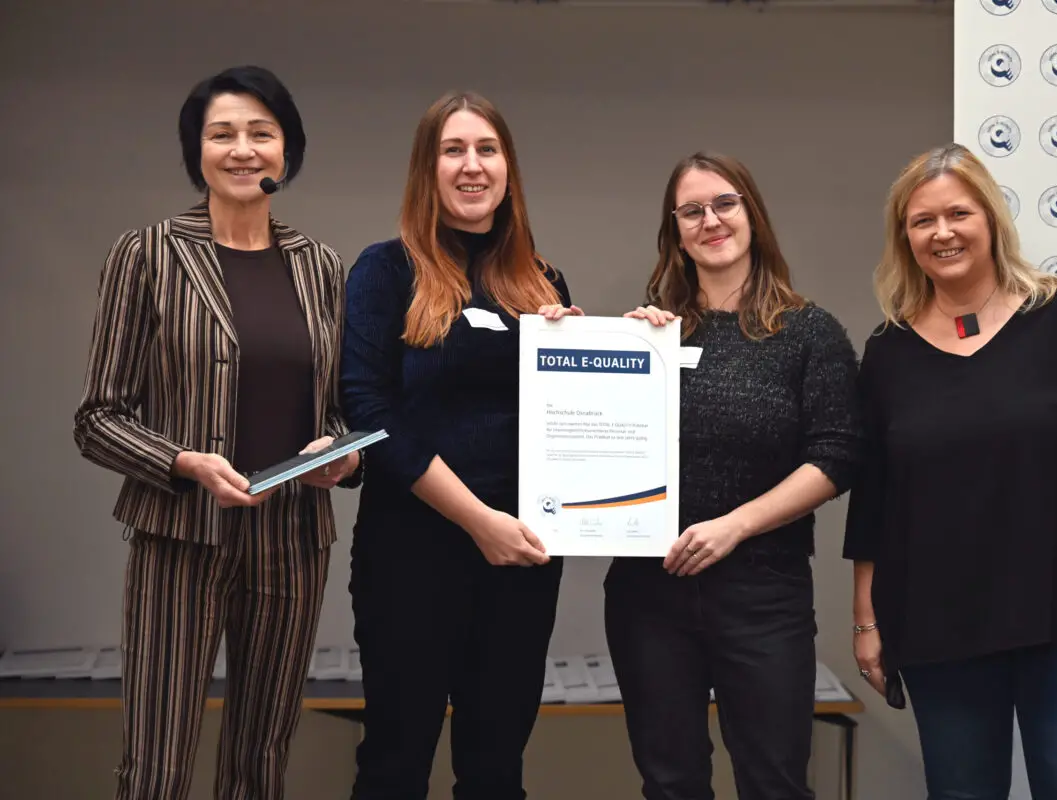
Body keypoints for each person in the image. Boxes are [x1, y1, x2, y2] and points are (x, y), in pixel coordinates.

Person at [73, 65, 360, 800]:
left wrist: (340, 454)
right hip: (179, 538)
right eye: (222, 133)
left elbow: (334, 408)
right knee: (158, 765)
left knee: (261, 762)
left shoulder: (319, 265)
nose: (243, 149)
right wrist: (184, 462)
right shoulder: (148, 255)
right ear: (195, 151)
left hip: (293, 542)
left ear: (286, 153)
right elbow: (97, 419)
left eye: (261, 133)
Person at [842, 143, 1057, 800]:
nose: (942, 232)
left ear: (990, 219)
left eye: (958, 213)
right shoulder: (887, 352)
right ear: (905, 237)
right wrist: (867, 621)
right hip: (936, 618)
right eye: (922, 220)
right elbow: (873, 501)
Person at [338, 90, 581, 800]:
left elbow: (570, 414)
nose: (471, 166)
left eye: (487, 150)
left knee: (496, 770)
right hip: (411, 555)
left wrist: (629, 346)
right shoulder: (386, 272)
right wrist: (479, 522)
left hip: (523, 561)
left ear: (508, 169)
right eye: (453, 150)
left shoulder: (542, 282)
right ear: (428, 169)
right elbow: (369, 409)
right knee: (393, 763)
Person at [611, 152, 865, 800]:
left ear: (751, 212)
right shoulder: (650, 335)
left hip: (763, 593)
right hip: (650, 593)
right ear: (675, 229)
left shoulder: (810, 333)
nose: (711, 220)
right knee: (670, 784)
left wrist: (734, 527)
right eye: (692, 210)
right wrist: (619, 360)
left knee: (775, 783)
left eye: (724, 203)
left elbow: (837, 454)